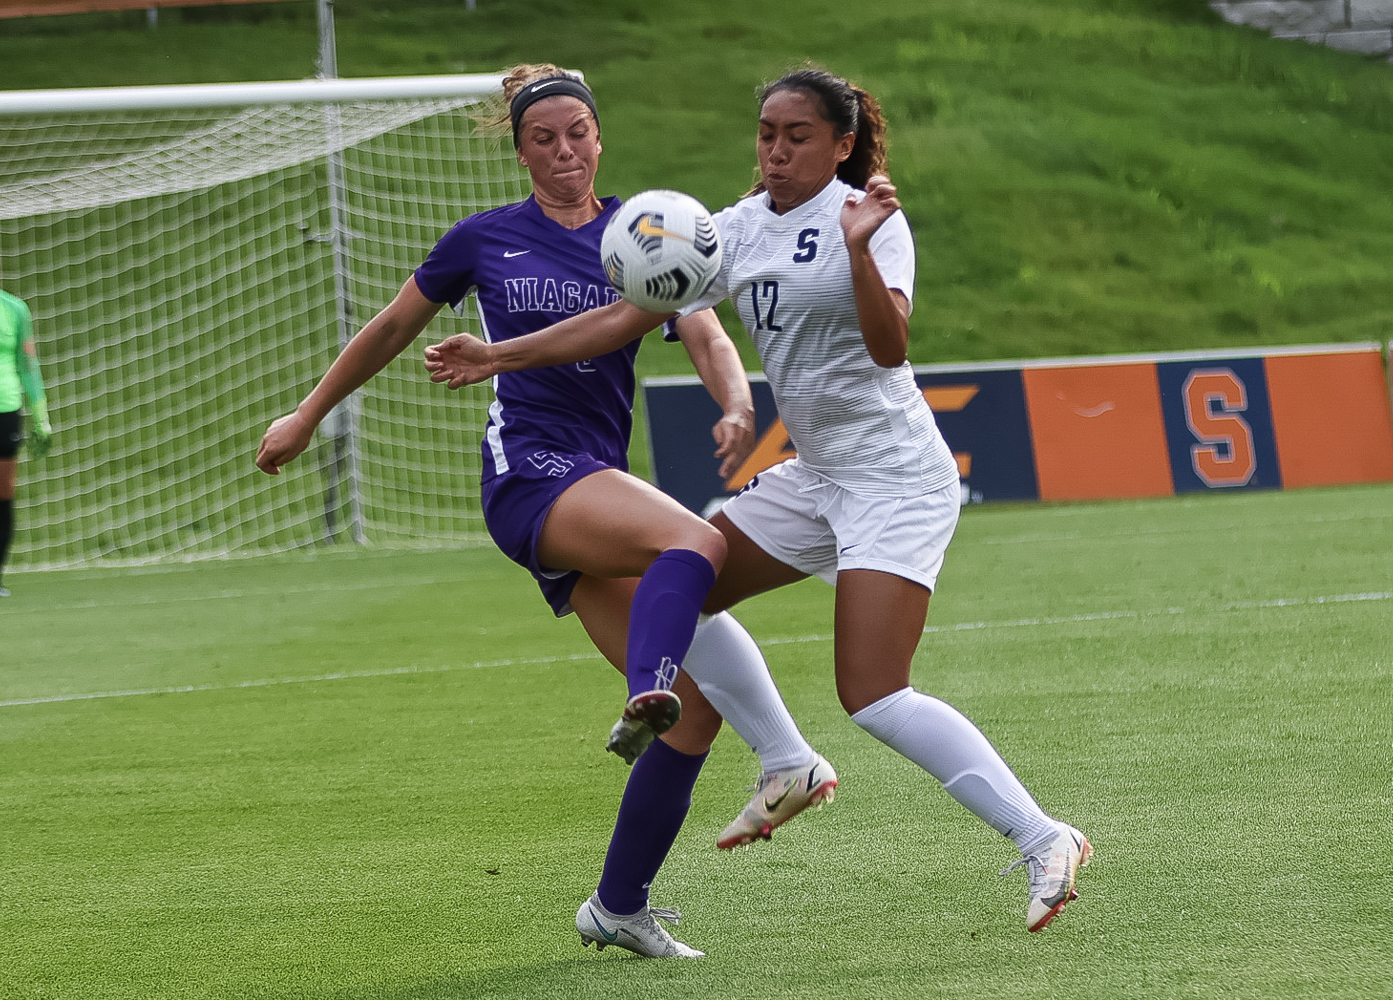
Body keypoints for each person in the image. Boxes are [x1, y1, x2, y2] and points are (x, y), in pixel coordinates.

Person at [425, 66, 1093, 934]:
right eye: (767, 134)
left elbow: (890, 350)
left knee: (875, 694)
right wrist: (500, 356)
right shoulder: (734, 230)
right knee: (682, 576)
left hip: (894, 480)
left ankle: (1045, 836)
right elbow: (623, 318)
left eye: (798, 136)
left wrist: (856, 248)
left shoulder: (873, 217)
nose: (776, 151)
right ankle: (786, 763)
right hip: (815, 477)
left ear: (842, 146)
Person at [256, 65, 834, 958]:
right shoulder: (484, 239)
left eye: (577, 133)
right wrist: (306, 414)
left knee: (696, 712)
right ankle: (745, 737)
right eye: (543, 138)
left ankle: (618, 906)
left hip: (595, 474)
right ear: (520, 148)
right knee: (691, 540)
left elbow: (707, 328)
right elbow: (387, 329)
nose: (563, 151)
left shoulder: (646, 229)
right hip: (526, 473)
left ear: (600, 137)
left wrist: (733, 402)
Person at [0, 239, 52, 598]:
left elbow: (27, 365)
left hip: (4, 410)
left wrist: (41, 416)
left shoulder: (16, 310)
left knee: (2, 495)